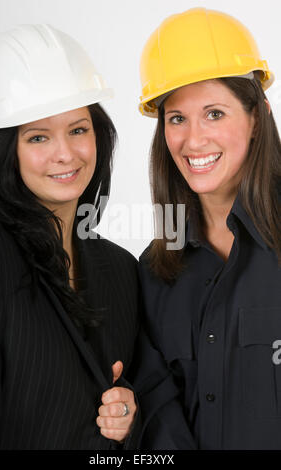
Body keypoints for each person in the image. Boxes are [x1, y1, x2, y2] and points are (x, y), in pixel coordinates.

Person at [0, 24, 140, 449]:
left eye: (78, 129)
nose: (66, 153)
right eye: (38, 136)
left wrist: (128, 415)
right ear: (6, 150)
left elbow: (138, 390)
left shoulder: (122, 269)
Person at [132, 7, 281, 449]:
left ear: (257, 117)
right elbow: (156, 415)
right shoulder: (155, 272)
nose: (193, 140)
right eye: (177, 118)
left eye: (214, 113)